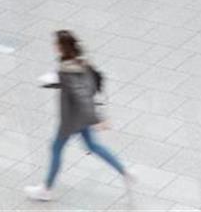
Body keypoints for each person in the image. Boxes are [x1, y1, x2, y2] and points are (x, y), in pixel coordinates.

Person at [25, 31, 132, 201]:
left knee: (56, 148)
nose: (54, 46)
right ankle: (124, 171)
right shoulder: (81, 61)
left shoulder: (67, 71)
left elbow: (80, 96)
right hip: (82, 118)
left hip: (72, 120)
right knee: (93, 146)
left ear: (61, 47)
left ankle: (46, 189)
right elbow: (85, 88)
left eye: (56, 43)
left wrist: (98, 119)